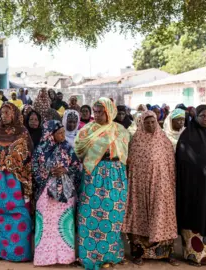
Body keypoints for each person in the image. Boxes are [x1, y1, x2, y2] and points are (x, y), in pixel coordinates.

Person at [74, 97, 130, 269]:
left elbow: (124, 152)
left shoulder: (120, 130)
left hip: (114, 175)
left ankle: (111, 255)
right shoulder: (86, 130)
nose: (97, 115)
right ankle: (89, 256)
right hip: (94, 174)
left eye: (101, 112)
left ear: (109, 112)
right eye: (95, 112)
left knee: (112, 214)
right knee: (89, 214)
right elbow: (79, 149)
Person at [122, 111, 178, 266]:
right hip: (140, 188)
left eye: (153, 122)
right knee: (140, 216)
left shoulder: (164, 141)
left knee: (161, 215)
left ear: (157, 122)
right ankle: (139, 253)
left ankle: (166, 253)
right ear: (141, 123)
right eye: (147, 122)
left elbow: (170, 166)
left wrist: (169, 185)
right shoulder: (135, 142)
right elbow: (130, 166)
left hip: (161, 187)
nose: (150, 125)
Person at [176, 105, 206, 266]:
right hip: (193, 188)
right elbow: (181, 162)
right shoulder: (187, 136)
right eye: (203, 116)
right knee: (196, 216)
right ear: (196, 117)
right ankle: (195, 255)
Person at [0, 103, 33, 262]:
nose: (4, 116)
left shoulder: (23, 132)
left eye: (7, 112)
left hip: (17, 179)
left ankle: (21, 254)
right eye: (2, 113)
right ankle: (3, 252)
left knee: (20, 214)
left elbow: (28, 157)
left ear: (14, 114)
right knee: (1, 213)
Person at [33, 120, 82, 267]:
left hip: (65, 193)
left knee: (64, 224)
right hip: (45, 192)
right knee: (46, 224)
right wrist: (48, 172)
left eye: (63, 132)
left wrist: (65, 170)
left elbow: (77, 167)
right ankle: (44, 257)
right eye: (59, 133)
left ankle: (65, 257)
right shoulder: (40, 149)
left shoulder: (68, 148)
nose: (62, 135)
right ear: (50, 134)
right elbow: (34, 168)